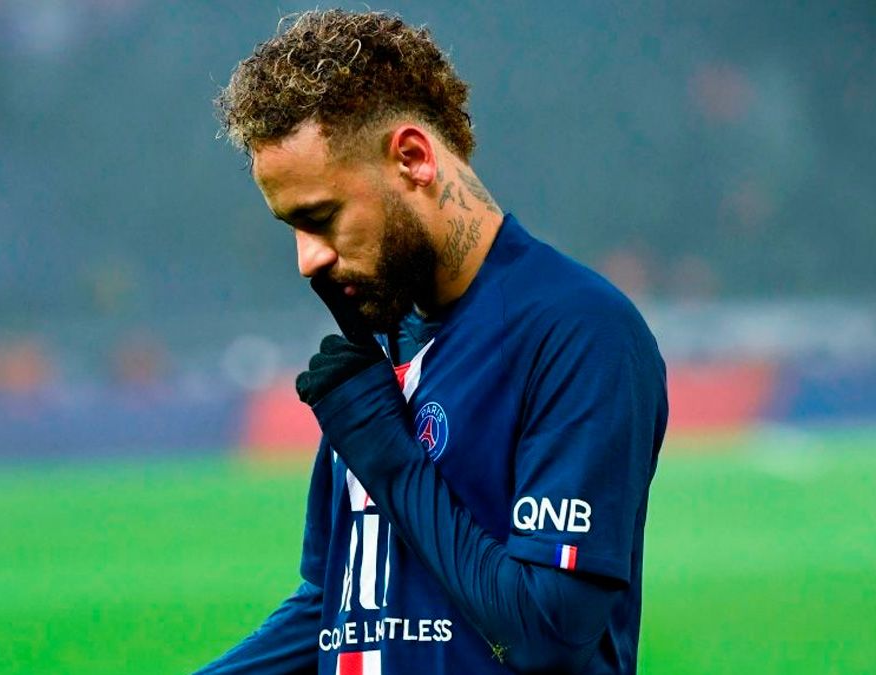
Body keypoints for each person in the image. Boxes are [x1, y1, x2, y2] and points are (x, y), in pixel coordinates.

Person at [198, 9, 667, 674]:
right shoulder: (382, 342)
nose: (307, 259)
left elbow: (544, 632)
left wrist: (389, 457)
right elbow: (337, 607)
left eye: (321, 217)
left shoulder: (578, 331)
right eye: (291, 227)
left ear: (412, 158)